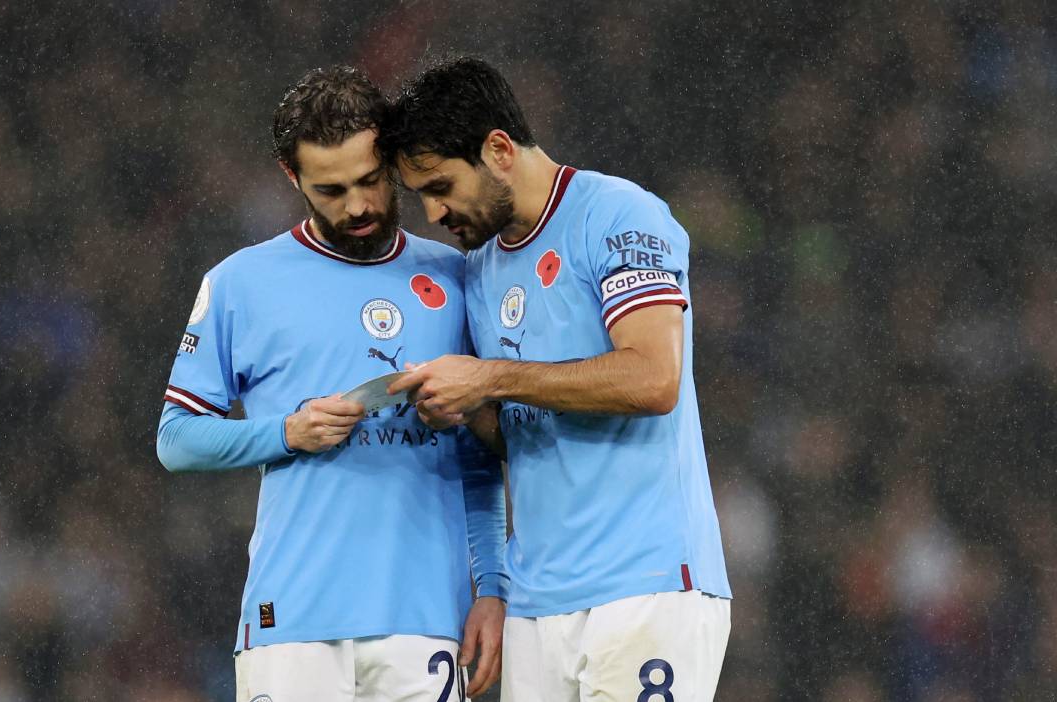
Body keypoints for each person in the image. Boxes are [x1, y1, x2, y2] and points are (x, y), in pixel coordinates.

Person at [380, 57, 731, 701]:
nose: (433, 213)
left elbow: (655, 379)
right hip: (537, 599)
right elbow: (519, 434)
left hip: (644, 586)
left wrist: (490, 377)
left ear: (498, 149)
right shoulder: (481, 269)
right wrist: (463, 407)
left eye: (440, 186)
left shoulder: (621, 216)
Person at [155, 65, 507, 702]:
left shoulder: (459, 277)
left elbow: (482, 463)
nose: (358, 205)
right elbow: (177, 440)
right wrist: (287, 432)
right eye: (332, 189)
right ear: (294, 179)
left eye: (371, 180)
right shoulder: (239, 283)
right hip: (292, 618)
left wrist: (494, 590)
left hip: (424, 619)